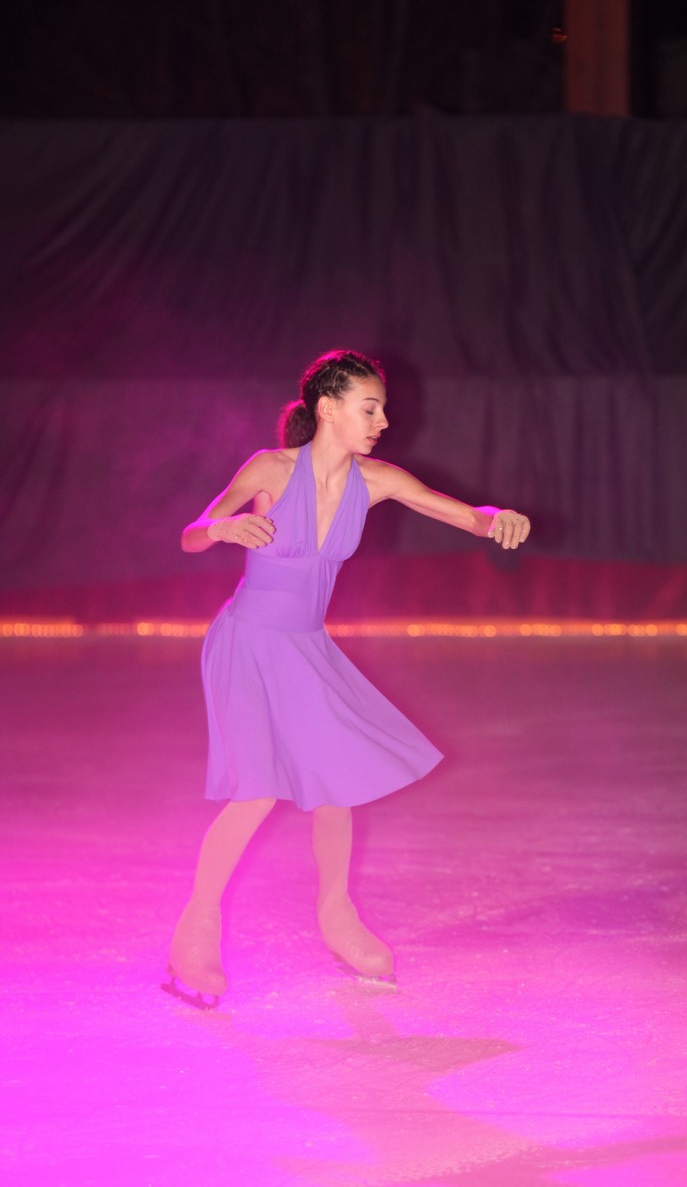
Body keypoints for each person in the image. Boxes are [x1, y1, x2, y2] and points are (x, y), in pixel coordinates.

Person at [164, 349, 530, 1009]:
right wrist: (223, 528)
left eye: (382, 409)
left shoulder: (378, 480)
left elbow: (462, 513)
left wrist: (495, 517)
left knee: (337, 783)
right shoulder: (270, 469)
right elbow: (192, 533)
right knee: (257, 790)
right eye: (370, 408)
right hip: (246, 643)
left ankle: (337, 915)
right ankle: (196, 928)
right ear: (328, 409)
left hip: (307, 649)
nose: (383, 421)